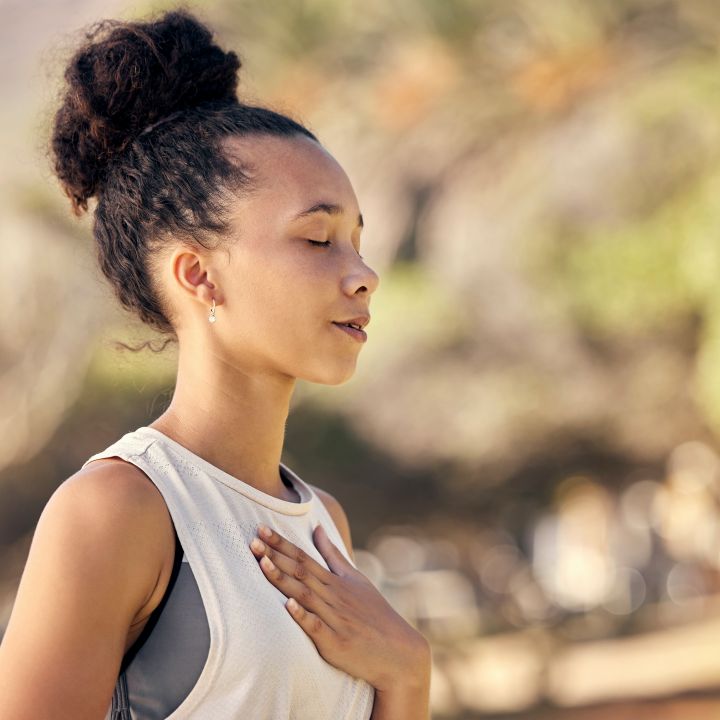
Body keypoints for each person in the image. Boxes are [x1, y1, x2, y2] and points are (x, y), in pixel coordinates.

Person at [0, 7, 431, 719]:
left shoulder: (323, 524)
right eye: (319, 239)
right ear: (199, 276)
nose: (363, 274)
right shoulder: (119, 511)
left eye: (358, 240)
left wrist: (407, 675)